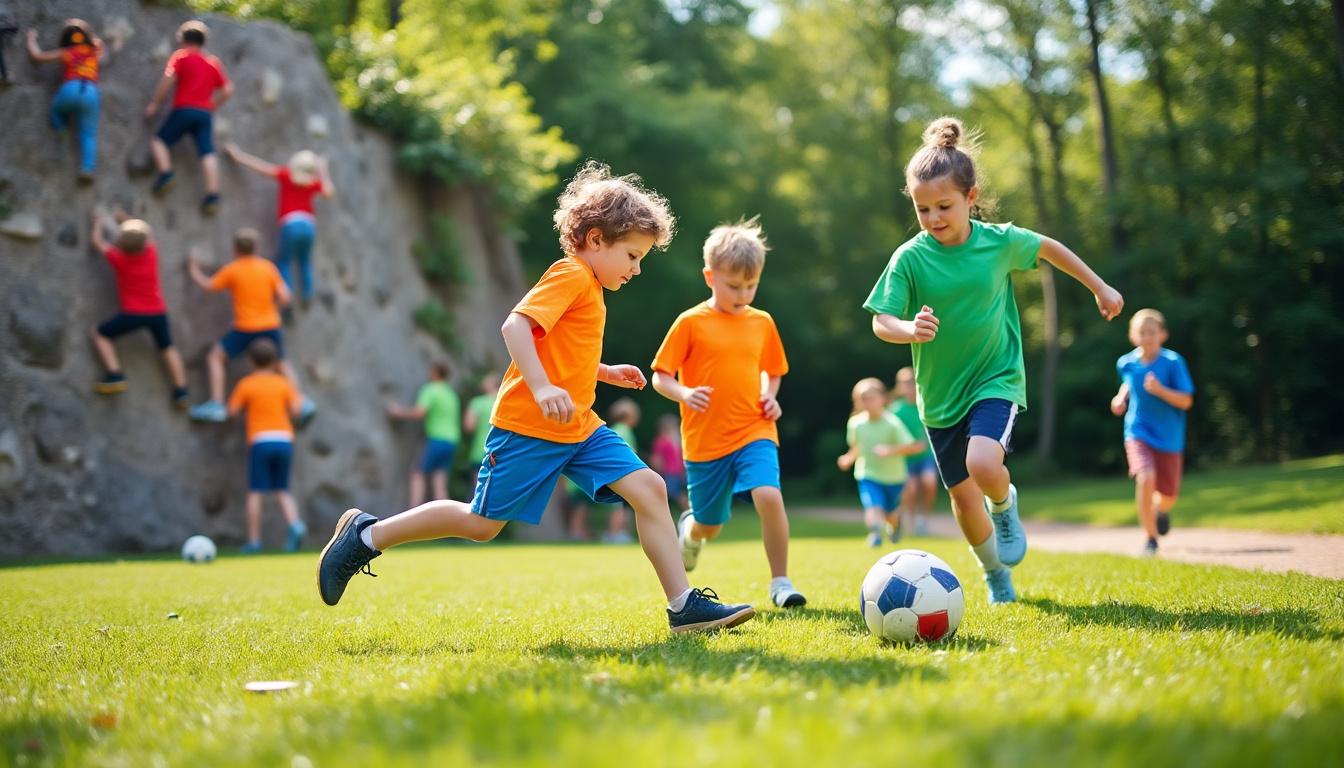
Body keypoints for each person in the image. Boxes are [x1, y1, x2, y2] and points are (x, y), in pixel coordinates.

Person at [316, 161, 754, 633]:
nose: (637, 269)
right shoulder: (570, 274)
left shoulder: (590, 287)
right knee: (481, 524)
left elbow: (561, 348)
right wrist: (543, 387)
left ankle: (682, 605)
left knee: (648, 489)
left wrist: (604, 372)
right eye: (631, 256)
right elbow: (516, 326)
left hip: (579, 425)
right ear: (595, 239)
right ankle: (367, 534)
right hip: (530, 426)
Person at [864, 116, 1124, 604]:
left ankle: (1005, 507)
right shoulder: (910, 258)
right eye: (923, 209)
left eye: (944, 206)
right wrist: (907, 329)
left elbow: (1050, 249)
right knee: (962, 498)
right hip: (939, 398)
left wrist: (1099, 286)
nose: (934, 218)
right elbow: (881, 320)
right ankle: (994, 573)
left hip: (995, 377)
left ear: (971, 197)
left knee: (983, 462)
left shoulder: (998, 242)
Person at [651, 217, 807, 609]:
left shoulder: (762, 322)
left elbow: (773, 371)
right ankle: (692, 532)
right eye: (734, 286)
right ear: (710, 277)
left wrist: (770, 396)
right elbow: (660, 377)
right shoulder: (690, 323)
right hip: (705, 442)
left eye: (751, 286)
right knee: (711, 524)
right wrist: (684, 392)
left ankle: (781, 582)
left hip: (755, 429)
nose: (743, 294)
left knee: (768, 494)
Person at [184, 229, 315, 425]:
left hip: (245, 327)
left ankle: (217, 404)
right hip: (270, 323)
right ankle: (300, 403)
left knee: (215, 357)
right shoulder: (267, 267)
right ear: (256, 248)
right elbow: (286, 296)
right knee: (282, 363)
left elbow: (208, 285)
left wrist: (193, 268)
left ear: (235, 249)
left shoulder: (234, 269)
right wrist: (273, 308)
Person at [1110, 308, 1194, 555]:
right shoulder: (1126, 362)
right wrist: (1120, 397)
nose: (1147, 337)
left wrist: (1160, 391)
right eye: (1142, 333)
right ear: (1133, 337)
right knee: (1145, 477)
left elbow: (1186, 401)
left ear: (1162, 334)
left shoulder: (1172, 362)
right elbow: (1128, 381)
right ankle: (1150, 539)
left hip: (1169, 437)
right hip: (1138, 430)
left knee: (1168, 496)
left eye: (1152, 332)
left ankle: (1162, 510)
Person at [87, 208, 189, 407]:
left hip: (133, 313)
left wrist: (97, 222)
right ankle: (181, 390)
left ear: (121, 245)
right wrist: (125, 218)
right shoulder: (151, 253)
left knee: (99, 334)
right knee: (167, 347)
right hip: (158, 312)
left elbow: (97, 243)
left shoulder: (119, 259)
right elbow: (147, 231)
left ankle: (115, 374)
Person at [222, 142, 335, 308]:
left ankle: (286, 299)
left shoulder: (287, 175)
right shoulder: (312, 183)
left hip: (290, 224)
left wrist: (238, 156)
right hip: (309, 225)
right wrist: (323, 169)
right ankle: (307, 295)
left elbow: (261, 167)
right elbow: (329, 192)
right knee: (304, 261)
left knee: (284, 261)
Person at [145, 20, 232, 215]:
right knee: (207, 152)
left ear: (183, 40)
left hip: (184, 109)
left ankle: (166, 174)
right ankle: (212, 194)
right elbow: (228, 90)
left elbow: (168, 80)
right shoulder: (212, 63)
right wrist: (212, 105)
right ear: (203, 42)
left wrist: (155, 104)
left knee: (158, 141)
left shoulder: (181, 57)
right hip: (204, 114)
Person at [228, 339, 306, 553]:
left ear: (250, 360)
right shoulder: (283, 383)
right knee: (282, 489)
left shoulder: (247, 384)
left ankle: (254, 541)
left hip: (260, 441)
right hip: (284, 439)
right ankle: (295, 524)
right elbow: (298, 410)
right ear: (274, 361)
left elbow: (232, 412)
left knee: (256, 491)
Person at [837, 378, 923, 547]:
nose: (867, 402)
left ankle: (894, 522)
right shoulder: (855, 423)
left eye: (871, 397)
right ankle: (875, 533)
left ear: (882, 398)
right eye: (862, 398)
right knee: (873, 505)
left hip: (894, 477)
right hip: (868, 474)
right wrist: (848, 458)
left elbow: (913, 446)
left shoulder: (892, 423)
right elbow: (856, 447)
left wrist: (890, 450)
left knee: (890, 512)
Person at [26, 20, 104, 183]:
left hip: (70, 88)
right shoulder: (94, 51)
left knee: (55, 111)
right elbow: (101, 46)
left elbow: (38, 56)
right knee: (88, 134)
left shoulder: (66, 52)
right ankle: (87, 168)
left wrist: (31, 38)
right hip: (90, 91)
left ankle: (61, 128)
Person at [387, 362, 461, 508]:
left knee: (418, 473)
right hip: (452, 441)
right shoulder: (451, 395)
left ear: (434, 372)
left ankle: (413, 511)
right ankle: (446, 521)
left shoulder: (431, 389)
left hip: (437, 439)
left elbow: (420, 412)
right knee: (439, 481)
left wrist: (398, 412)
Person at [891, 366, 938, 536]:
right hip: (905, 458)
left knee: (929, 482)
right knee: (910, 489)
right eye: (903, 383)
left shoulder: (926, 404)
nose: (908, 386)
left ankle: (922, 518)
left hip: (926, 456)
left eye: (910, 382)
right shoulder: (896, 410)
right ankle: (910, 520)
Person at [462, 371, 500, 496]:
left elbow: (469, 426)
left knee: (477, 489)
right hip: (500, 453)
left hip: (481, 450)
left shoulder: (478, 402)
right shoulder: (504, 405)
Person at [649, 413, 688, 510]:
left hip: (668, 472)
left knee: (673, 495)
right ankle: (690, 513)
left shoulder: (661, 441)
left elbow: (656, 460)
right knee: (679, 494)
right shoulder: (679, 440)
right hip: (681, 471)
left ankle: (689, 512)